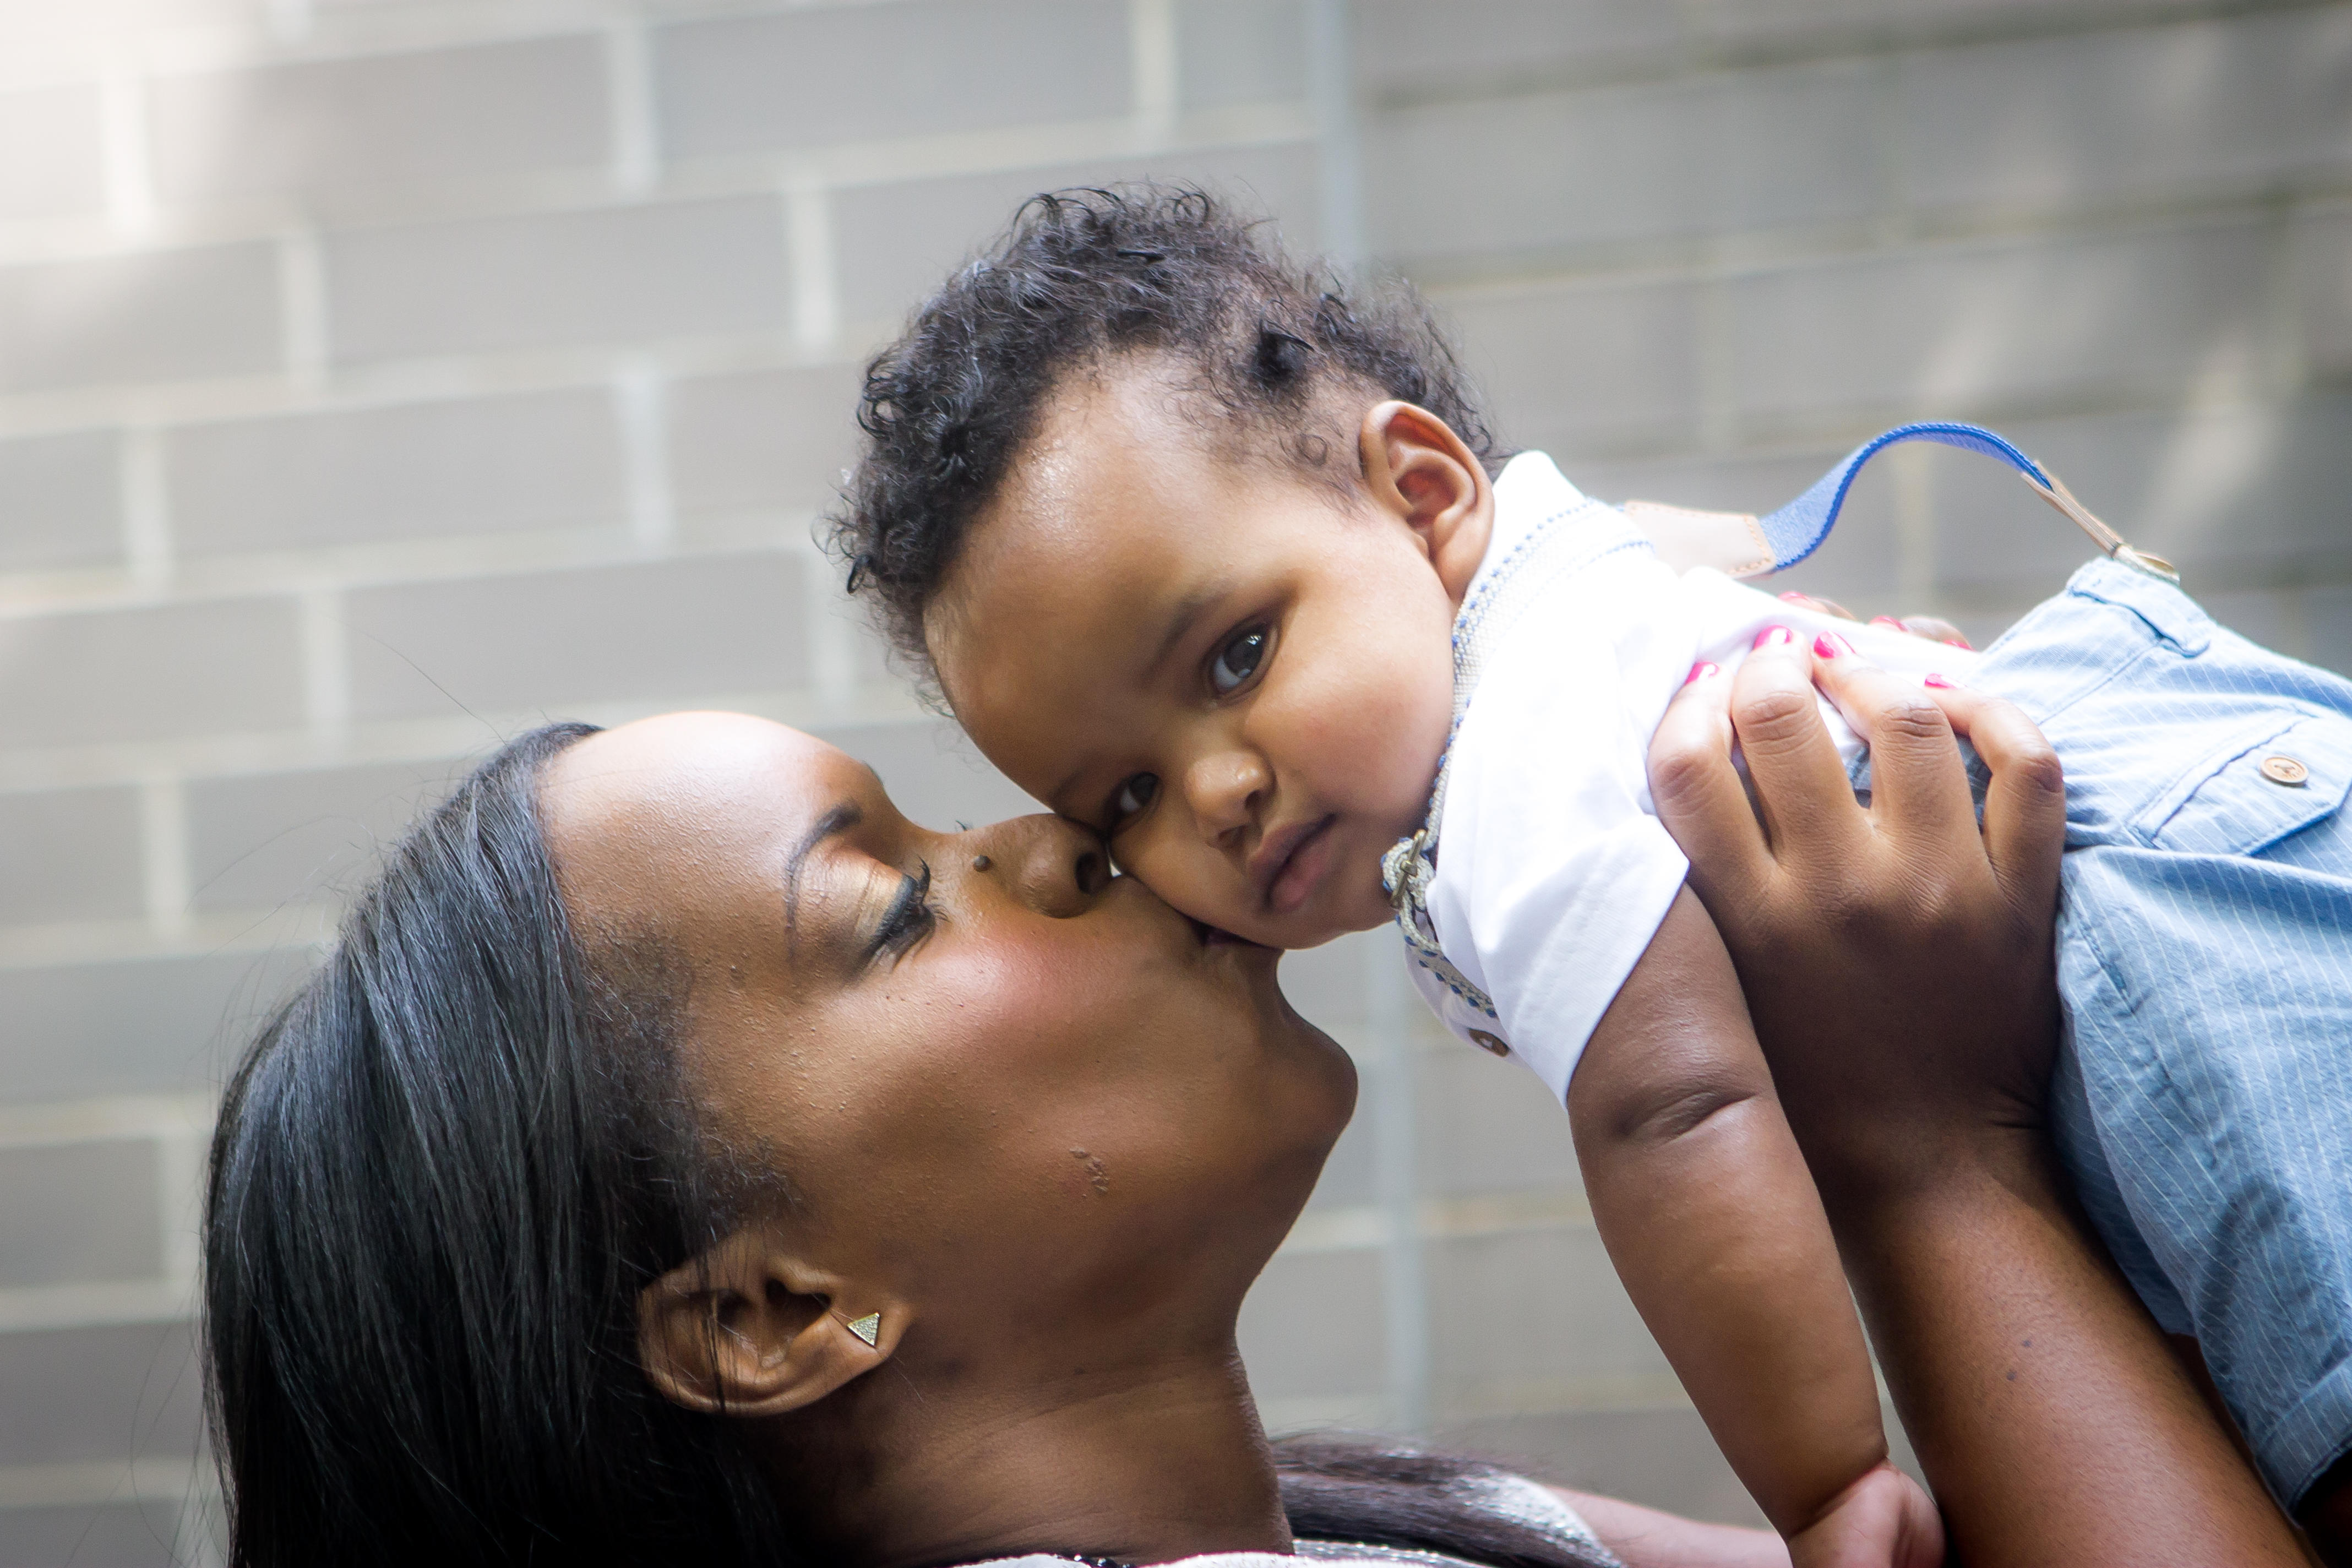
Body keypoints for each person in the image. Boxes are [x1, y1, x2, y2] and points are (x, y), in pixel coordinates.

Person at [829, 185, 2352, 1557]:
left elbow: (1670, 1106)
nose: (1218, 792)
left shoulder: (1507, 767)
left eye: (1237, 655)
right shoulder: (1553, 586)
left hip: (2149, 906)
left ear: (1423, 495)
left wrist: (1825, 1482)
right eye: (1129, 795)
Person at [202, 686, 2309, 1567]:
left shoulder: (1378, 1519)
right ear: (770, 1310)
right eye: (890, 906)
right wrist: (1926, 1141)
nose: (1046, 835)